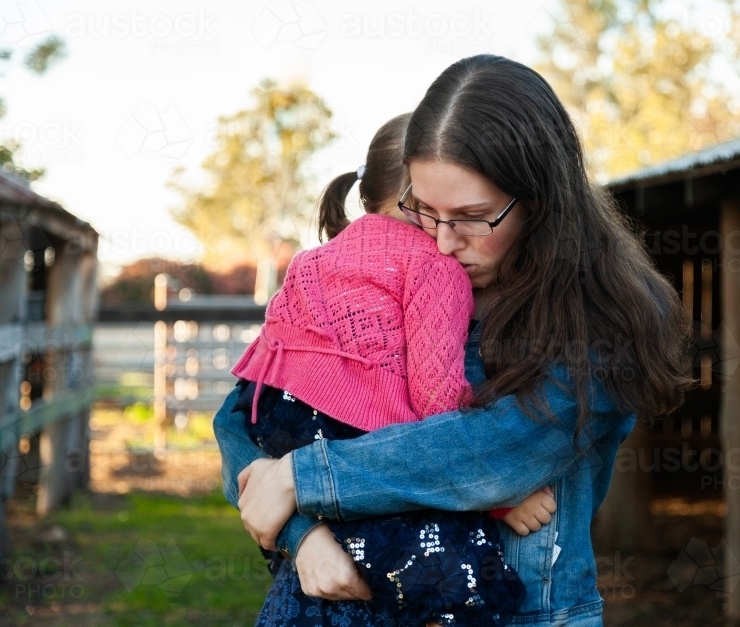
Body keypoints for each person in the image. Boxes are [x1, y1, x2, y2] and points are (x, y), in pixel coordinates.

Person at [216, 54, 691, 627]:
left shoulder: (603, 318)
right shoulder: (396, 287)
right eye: (422, 211)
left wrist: (298, 479)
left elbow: (485, 451)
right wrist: (303, 534)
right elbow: (243, 421)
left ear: (540, 201)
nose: (441, 244)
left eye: (472, 217)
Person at [226, 113, 553, 627]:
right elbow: (437, 404)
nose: (447, 237)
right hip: (366, 437)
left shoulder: (312, 259)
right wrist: (499, 503)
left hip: (279, 420)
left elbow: (260, 369)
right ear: (420, 197)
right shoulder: (435, 267)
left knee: (340, 580)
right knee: (473, 587)